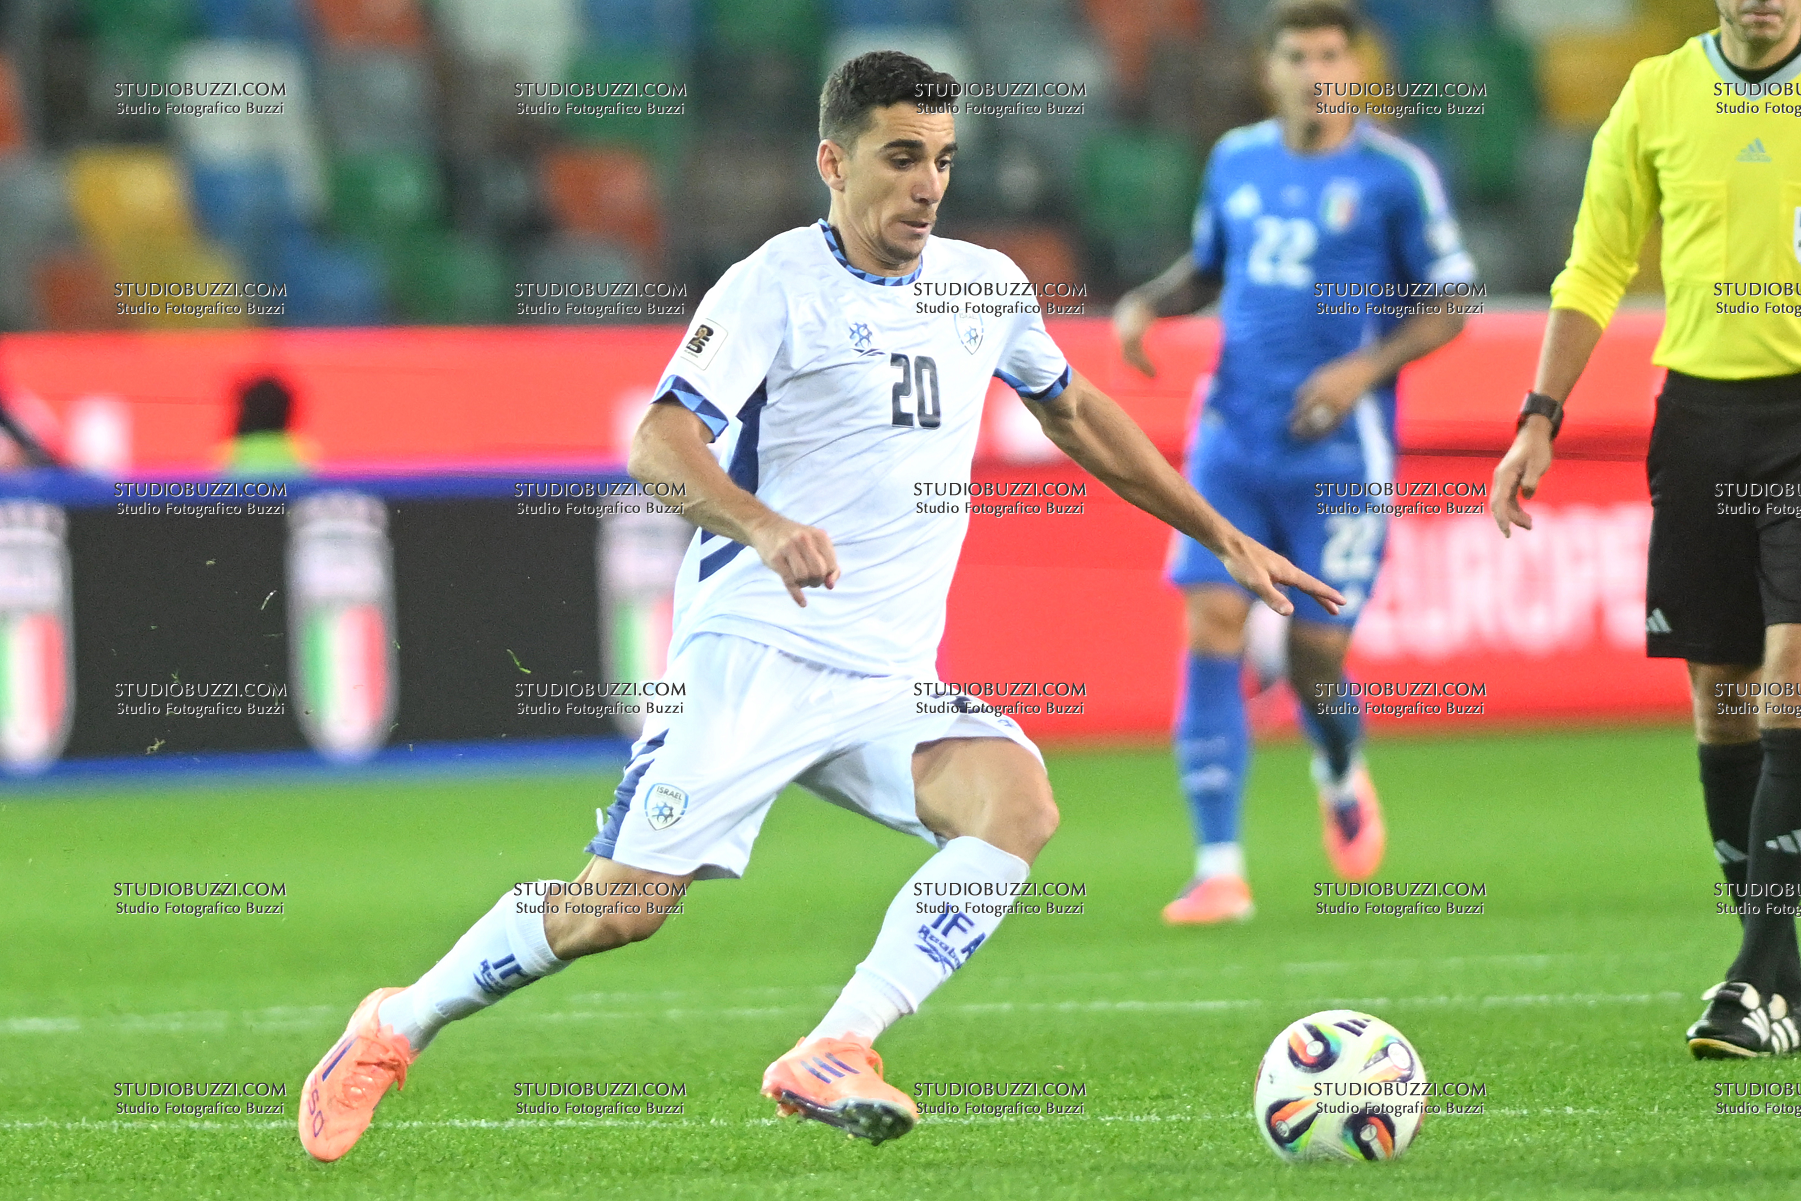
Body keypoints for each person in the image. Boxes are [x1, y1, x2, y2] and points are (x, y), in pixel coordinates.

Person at [295, 50, 1343, 1160]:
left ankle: (837, 1045)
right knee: (616, 909)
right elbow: (659, 441)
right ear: (834, 164)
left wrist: (1220, 533)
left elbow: (1075, 413)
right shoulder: (772, 285)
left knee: (1016, 807)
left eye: (943, 160)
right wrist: (760, 525)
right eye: (901, 158)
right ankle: (393, 1024)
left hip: (886, 675)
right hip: (755, 651)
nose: (927, 186)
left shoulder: (985, 285)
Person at [1114, 0, 1470, 925]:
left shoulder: (1394, 175)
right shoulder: (1235, 159)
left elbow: (1450, 301)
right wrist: (1147, 304)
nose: (1316, 71)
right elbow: (1208, 269)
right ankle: (1217, 867)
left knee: (1316, 654)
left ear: (1353, 68)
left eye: (1330, 54)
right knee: (1209, 622)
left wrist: (1362, 369)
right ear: (1268, 71)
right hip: (1232, 436)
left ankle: (1339, 768)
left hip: (1340, 455)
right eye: (1297, 55)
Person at [1492, 0, 1801, 1058]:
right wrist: (1540, 414)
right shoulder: (1657, 92)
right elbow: (1595, 264)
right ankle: (1777, 973)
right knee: (1722, 699)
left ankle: (1753, 976)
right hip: (1702, 421)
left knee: (1788, 680)